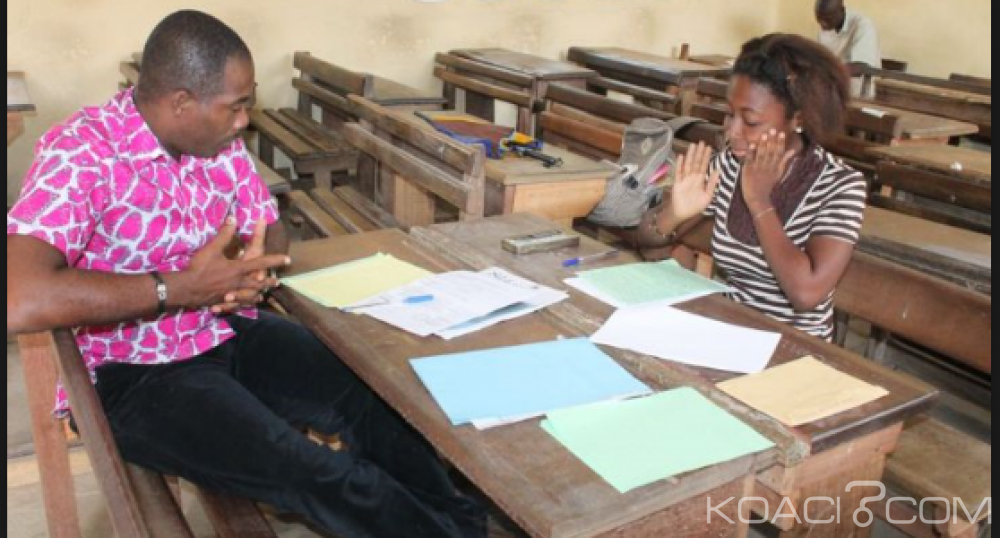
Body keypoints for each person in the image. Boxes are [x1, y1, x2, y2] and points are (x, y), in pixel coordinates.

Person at [6, 10, 485, 538]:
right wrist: (177, 289)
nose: (244, 123)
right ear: (182, 102)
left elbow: (269, 226)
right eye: (236, 107)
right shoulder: (81, 152)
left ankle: (464, 525)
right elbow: (19, 297)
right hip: (130, 373)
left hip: (216, 330)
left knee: (375, 391)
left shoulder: (217, 145)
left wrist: (250, 268)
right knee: (313, 472)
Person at [638, 33, 867, 341]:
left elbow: (805, 292)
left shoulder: (839, 185)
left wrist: (759, 200)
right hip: (729, 333)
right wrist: (672, 215)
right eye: (730, 114)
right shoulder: (730, 165)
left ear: (797, 118)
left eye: (751, 121)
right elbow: (646, 239)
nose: (733, 132)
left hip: (797, 352)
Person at [815, 0, 882, 97]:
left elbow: (860, 67)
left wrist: (826, 70)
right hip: (834, 92)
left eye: (827, 19)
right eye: (819, 19)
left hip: (859, 94)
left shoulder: (863, 25)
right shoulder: (826, 28)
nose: (823, 24)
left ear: (842, 10)